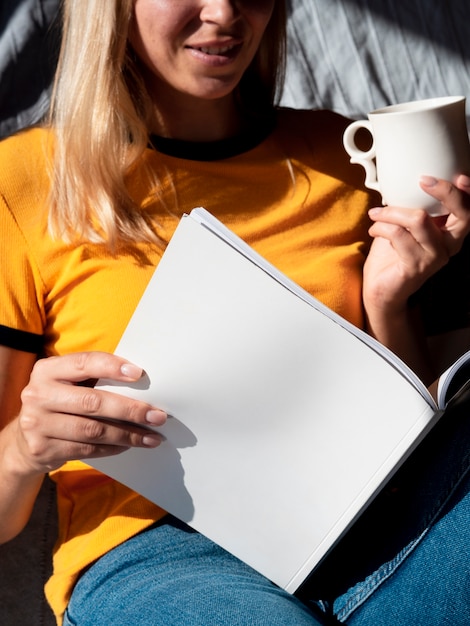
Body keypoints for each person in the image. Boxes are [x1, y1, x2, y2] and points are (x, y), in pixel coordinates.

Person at [0, 1, 468, 625]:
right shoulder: (23, 183)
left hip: (377, 515)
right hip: (162, 547)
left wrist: (388, 301)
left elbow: (407, 418)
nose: (225, 12)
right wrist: (26, 446)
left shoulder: (347, 153)